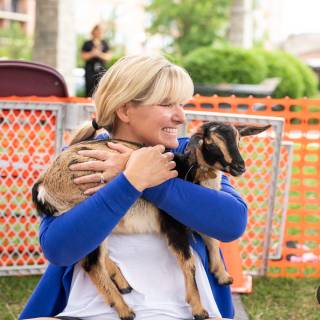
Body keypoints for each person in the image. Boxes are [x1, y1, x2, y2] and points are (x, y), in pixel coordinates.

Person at [20, 55, 248, 320]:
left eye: (182, 104)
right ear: (125, 110)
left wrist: (148, 178)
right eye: (166, 104)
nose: (180, 116)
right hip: (88, 312)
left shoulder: (194, 156)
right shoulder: (82, 159)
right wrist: (130, 182)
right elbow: (59, 249)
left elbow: (232, 223)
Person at [81, 24, 111, 97]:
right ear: (93, 32)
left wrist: (99, 54)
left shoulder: (105, 43)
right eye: (97, 31)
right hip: (90, 71)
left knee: (101, 91)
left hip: (101, 71)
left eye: (100, 31)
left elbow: (108, 57)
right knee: (89, 91)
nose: (98, 33)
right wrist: (92, 53)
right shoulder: (87, 43)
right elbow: (83, 56)